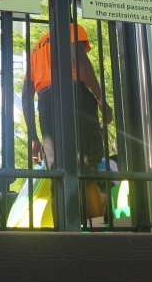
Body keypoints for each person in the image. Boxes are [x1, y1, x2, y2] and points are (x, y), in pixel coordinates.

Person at [22, 22, 112, 219]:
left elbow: (26, 95)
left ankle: (62, 236)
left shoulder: (36, 48)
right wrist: (100, 97)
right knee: (87, 175)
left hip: (46, 105)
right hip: (74, 96)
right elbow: (78, 58)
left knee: (58, 178)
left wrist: (34, 137)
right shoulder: (70, 28)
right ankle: (97, 236)